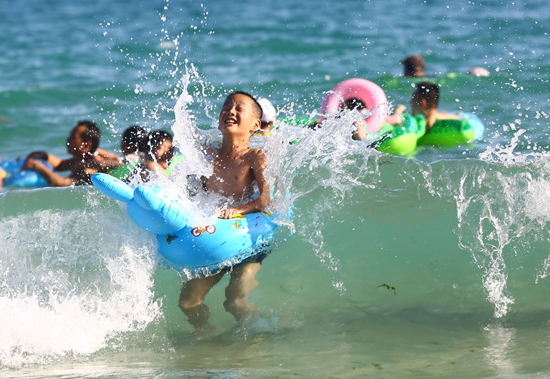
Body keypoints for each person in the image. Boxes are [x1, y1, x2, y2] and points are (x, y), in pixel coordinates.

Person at [179, 90, 271, 330]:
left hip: (248, 238)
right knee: (188, 302)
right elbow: (193, 195)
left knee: (235, 300)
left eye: (239, 109)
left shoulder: (255, 157)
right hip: (216, 236)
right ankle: (206, 333)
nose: (230, 111)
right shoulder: (206, 156)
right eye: (226, 108)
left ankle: (260, 334)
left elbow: (265, 200)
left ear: (255, 125)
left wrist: (238, 210)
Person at [22, 120, 112, 186]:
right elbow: (60, 165)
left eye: (73, 137)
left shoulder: (87, 166)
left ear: (86, 145)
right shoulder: (80, 159)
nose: (68, 140)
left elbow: (62, 183)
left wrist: (37, 166)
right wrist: (44, 155)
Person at [386, 82, 460, 131]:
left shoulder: (431, 118)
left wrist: (397, 112)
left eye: (413, 98)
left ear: (422, 102)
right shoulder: (442, 115)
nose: (410, 102)